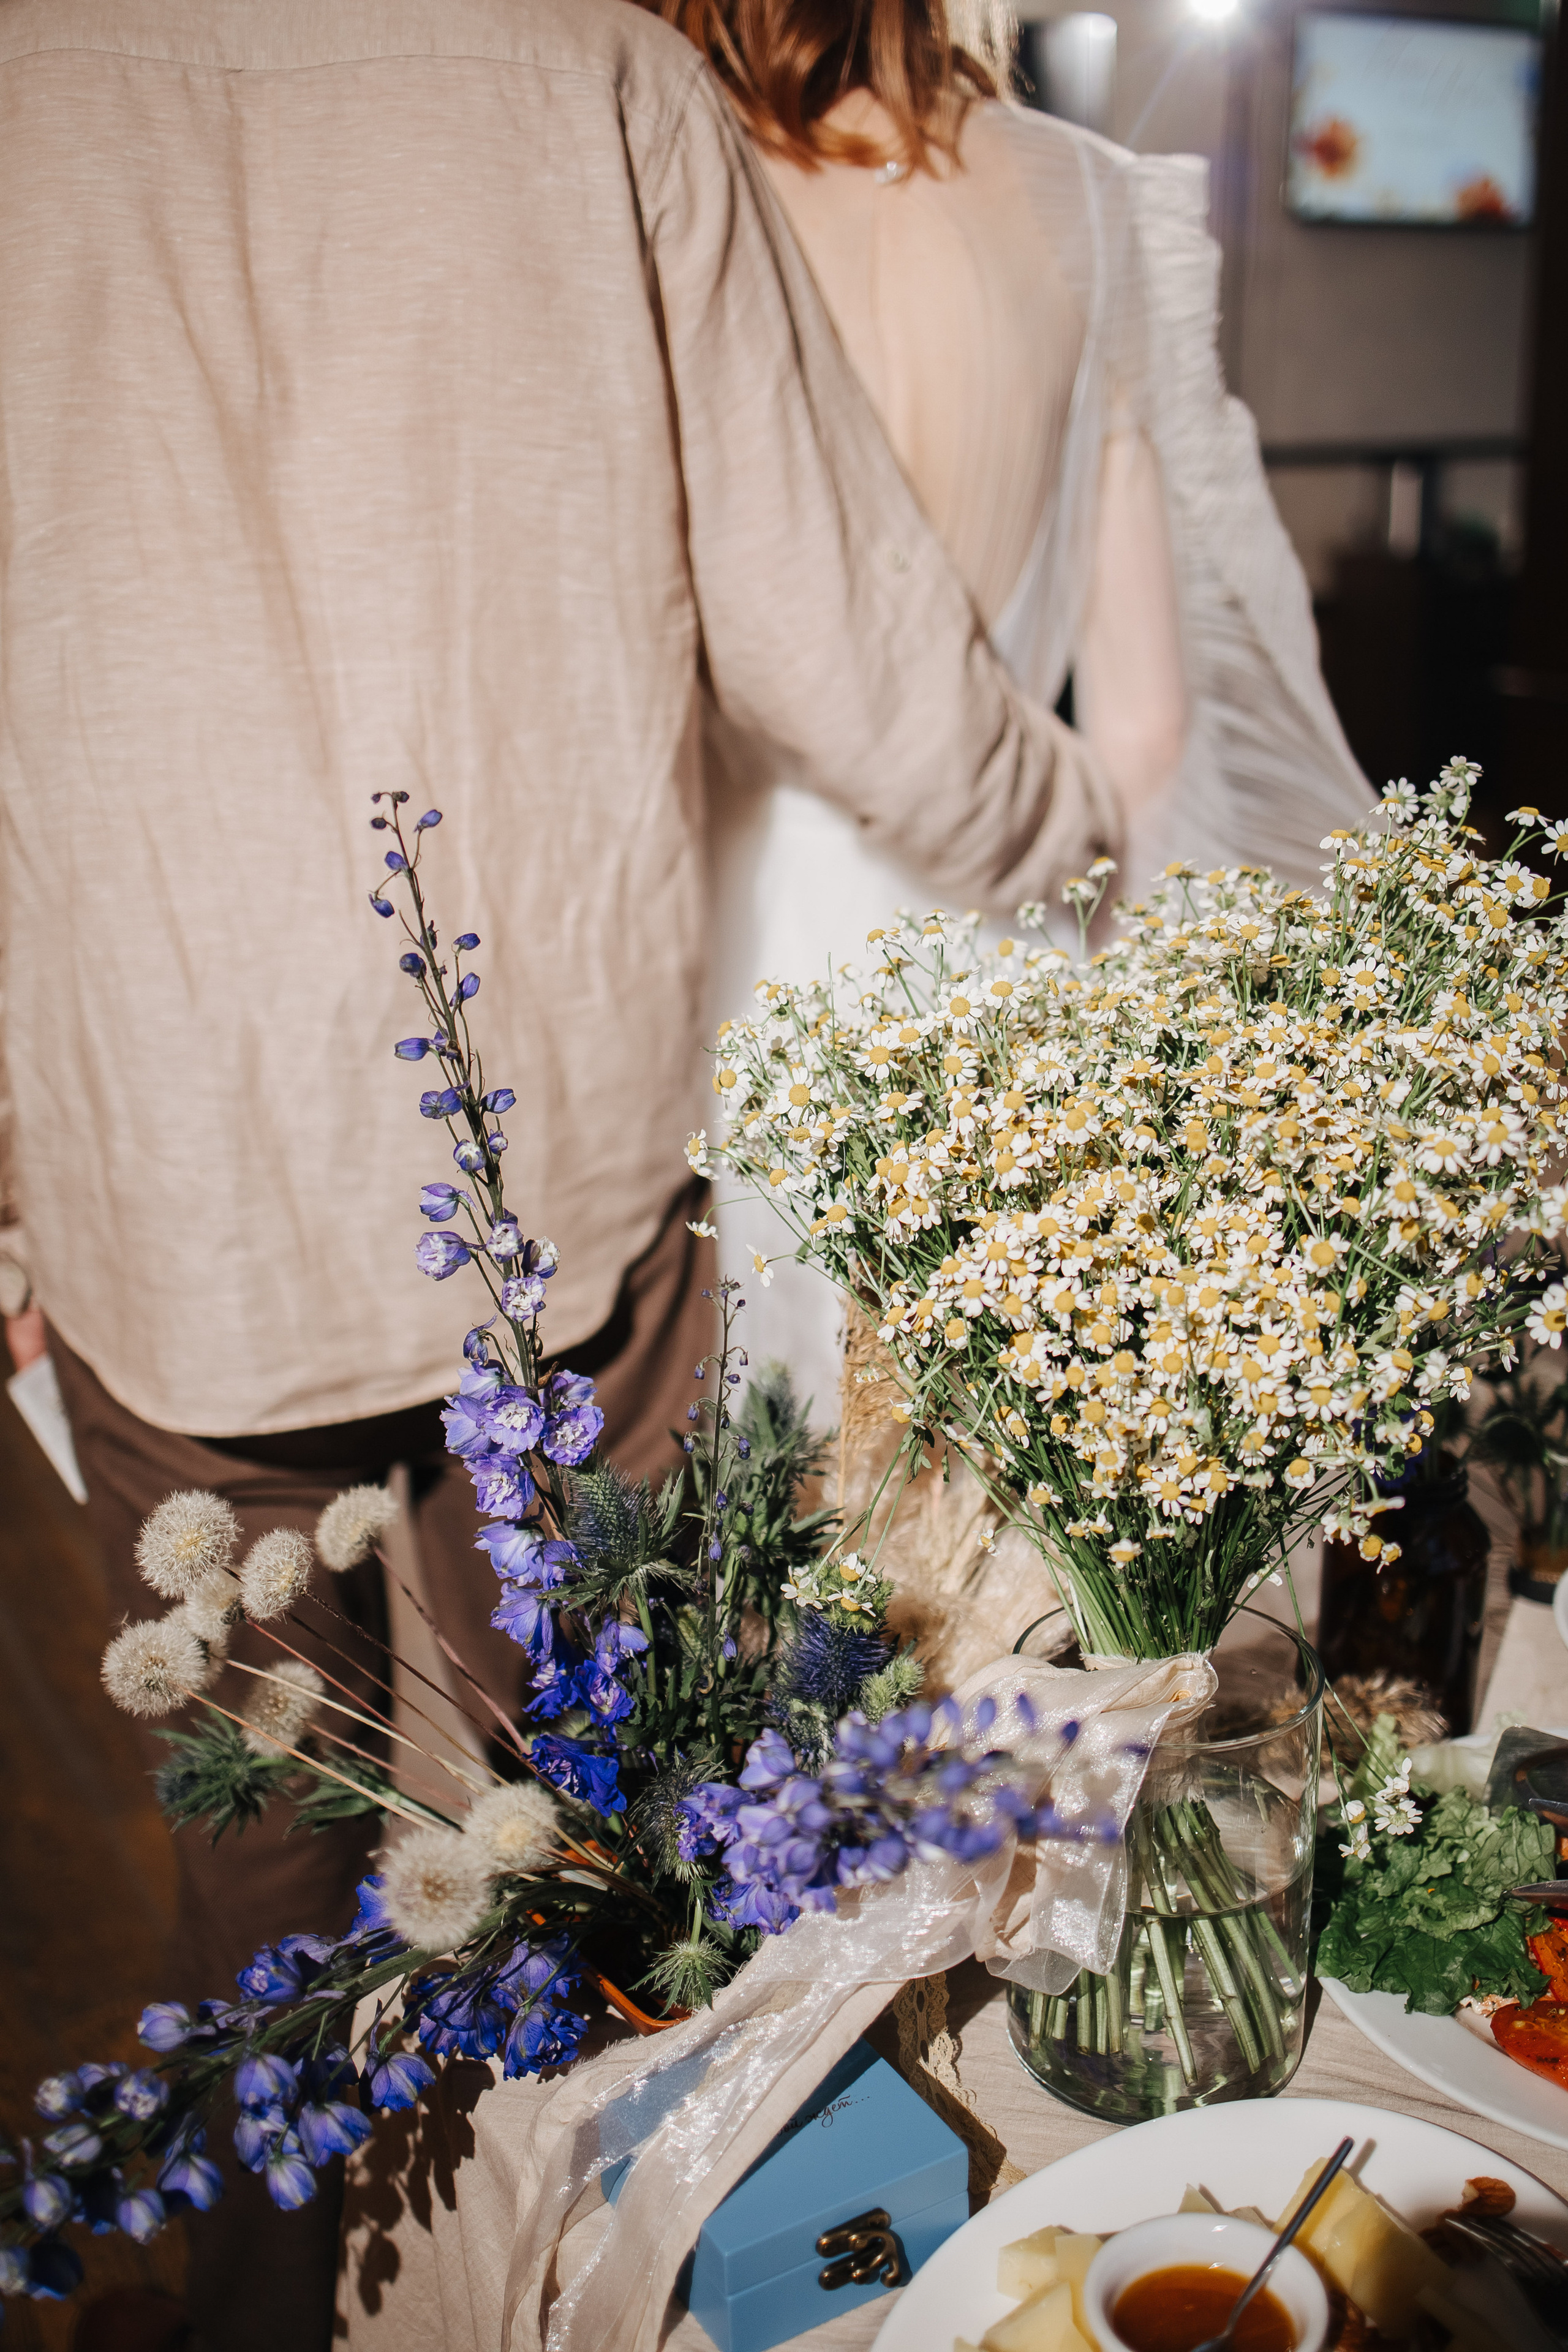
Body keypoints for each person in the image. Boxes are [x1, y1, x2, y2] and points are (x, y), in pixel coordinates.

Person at [0, 1, 1125, 2342]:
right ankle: (591, 2291)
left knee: (265, 1902)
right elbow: (839, 628)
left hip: (171, 1175)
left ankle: (273, 2309)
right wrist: (1071, 838)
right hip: (560, 1177)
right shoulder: (592, 73)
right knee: (612, 1855)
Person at [646, 0, 1374, 1412]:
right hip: (1007, 936)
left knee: (731, 1481)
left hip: (718, 968)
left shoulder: (670, 165)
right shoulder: (1077, 191)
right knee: (1001, 1469)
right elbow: (1146, 724)